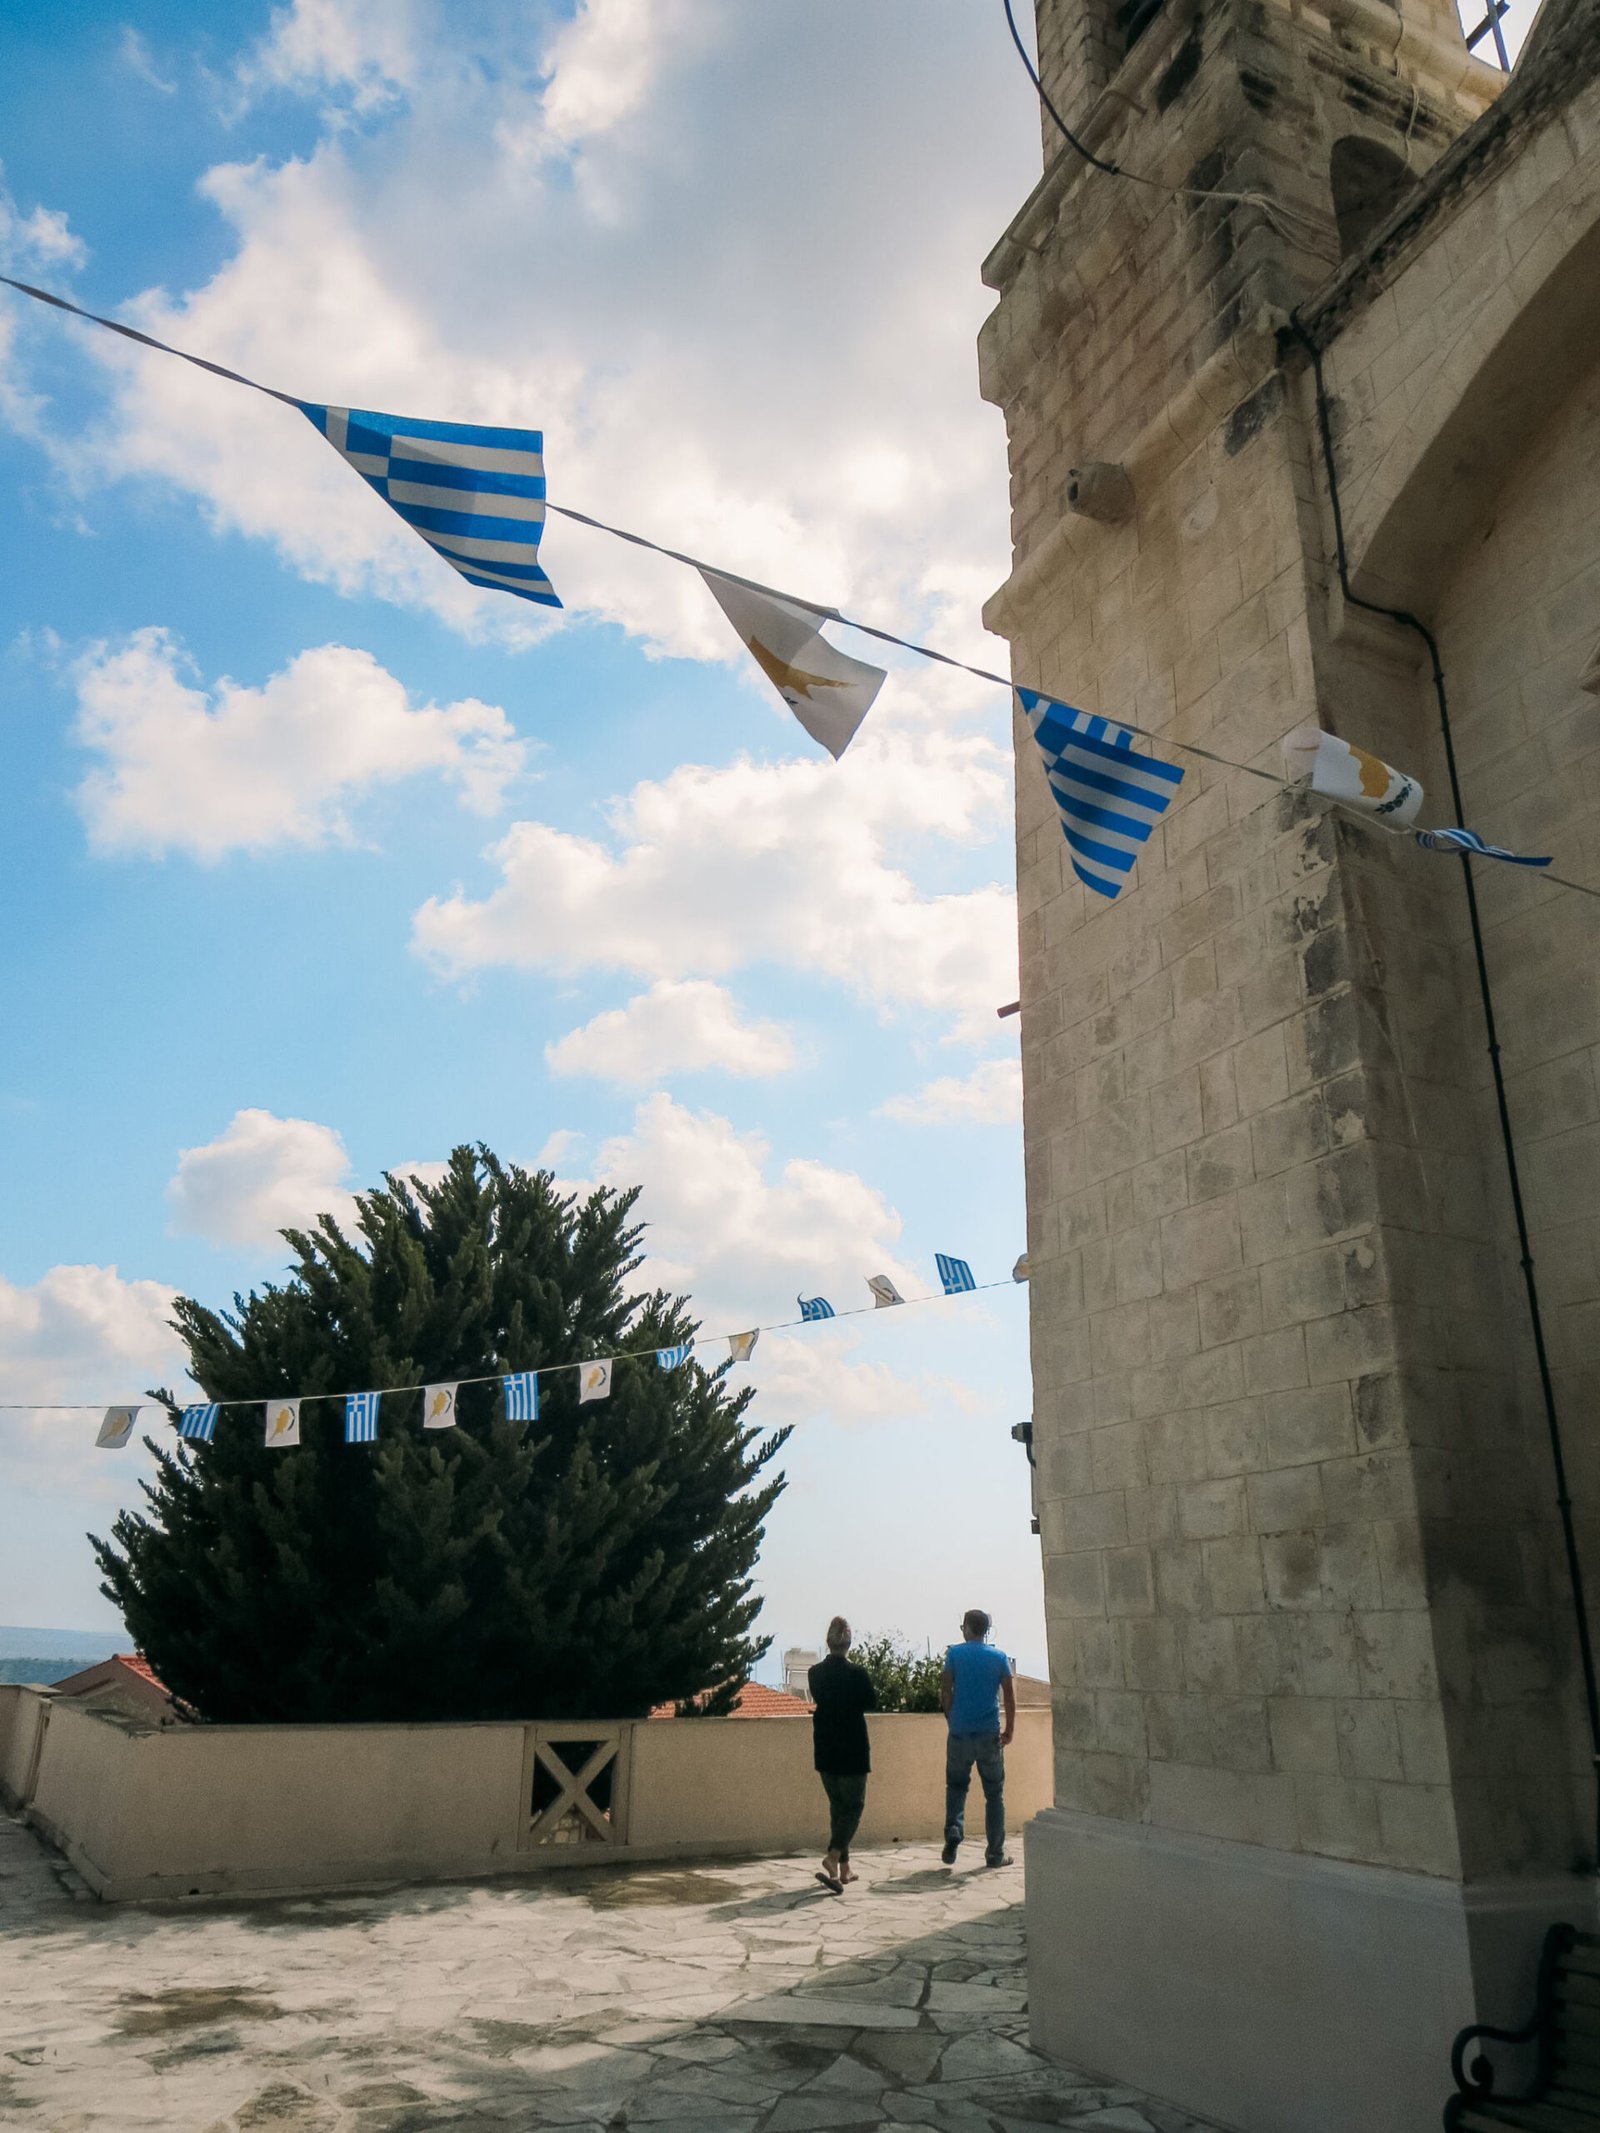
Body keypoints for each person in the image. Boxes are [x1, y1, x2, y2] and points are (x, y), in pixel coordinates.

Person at [940, 1607, 1015, 1868]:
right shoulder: (999, 1656)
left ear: (967, 1628)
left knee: (957, 1787)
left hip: (959, 1733)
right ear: (985, 1631)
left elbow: (946, 1688)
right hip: (989, 1734)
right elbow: (1008, 1695)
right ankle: (995, 1854)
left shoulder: (954, 1654)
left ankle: (953, 1831)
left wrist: (951, 1718)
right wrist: (1009, 1731)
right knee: (994, 1795)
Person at [807, 1616, 876, 1893]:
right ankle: (834, 1855)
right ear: (849, 1643)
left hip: (825, 1747)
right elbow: (870, 1701)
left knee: (838, 1807)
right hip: (853, 1748)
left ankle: (843, 1870)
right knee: (854, 1807)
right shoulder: (857, 1674)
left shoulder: (815, 1673)